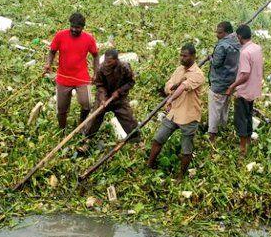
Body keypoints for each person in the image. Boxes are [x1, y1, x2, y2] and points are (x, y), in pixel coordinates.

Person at [148, 43, 206, 179]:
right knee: (158, 139)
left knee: (186, 149)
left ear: (193, 56)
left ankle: (181, 176)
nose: (182, 58)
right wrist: (173, 86)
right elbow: (168, 86)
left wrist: (170, 98)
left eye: (185, 56)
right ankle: (149, 165)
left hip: (189, 116)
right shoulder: (179, 69)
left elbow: (183, 88)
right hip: (174, 113)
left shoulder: (198, 74)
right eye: (181, 55)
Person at [44, 12, 100, 129]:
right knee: (61, 108)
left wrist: (95, 73)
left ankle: (81, 125)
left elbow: (95, 55)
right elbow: (52, 51)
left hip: (81, 77)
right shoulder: (60, 36)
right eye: (72, 26)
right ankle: (62, 129)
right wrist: (48, 63)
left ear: (83, 27)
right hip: (63, 77)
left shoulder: (88, 39)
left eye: (77, 28)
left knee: (87, 104)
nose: (74, 29)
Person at [226, 24, 263, 157]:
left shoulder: (245, 52)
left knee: (240, 119)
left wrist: (232, 86)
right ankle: (248, 142)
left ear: (240, 37)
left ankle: (243, 150)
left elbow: (245, 74)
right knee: (248, 116)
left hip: (244, 91)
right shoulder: (257, 48)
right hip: (254, 90)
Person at [85, 49, 138, 141]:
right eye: (106, 61)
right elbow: (99, 85)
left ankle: (136, 139)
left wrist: (119, 91)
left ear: (116, 60)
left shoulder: (125, 67)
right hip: (103, 98)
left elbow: (131, 82)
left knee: (127, 118)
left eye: (109, 62)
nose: (107, 63)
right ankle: (87, 139)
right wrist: (103, 98)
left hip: (119, 99)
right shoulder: (101, 68)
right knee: (95, 117)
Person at [207, 21, 240, 140]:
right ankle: (223, 129)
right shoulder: (237, 43)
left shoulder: (222, 46)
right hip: (231, 81)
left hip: (219, 82)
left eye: (220, 33)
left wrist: (210, 58)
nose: (217, 35)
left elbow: (216, 63)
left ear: (226, 33)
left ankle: (212, 135)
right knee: (225, 106)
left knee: (215, 109)